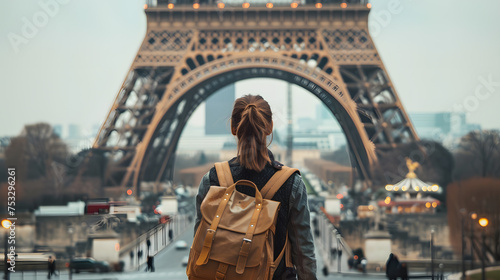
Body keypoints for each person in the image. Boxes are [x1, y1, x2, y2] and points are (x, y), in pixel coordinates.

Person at [194, 95, 317, 279]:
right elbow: (303, 253)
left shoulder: (212, 180)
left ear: (233, 128)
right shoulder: (291, 183)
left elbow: (200, 242)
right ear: (270, 127)